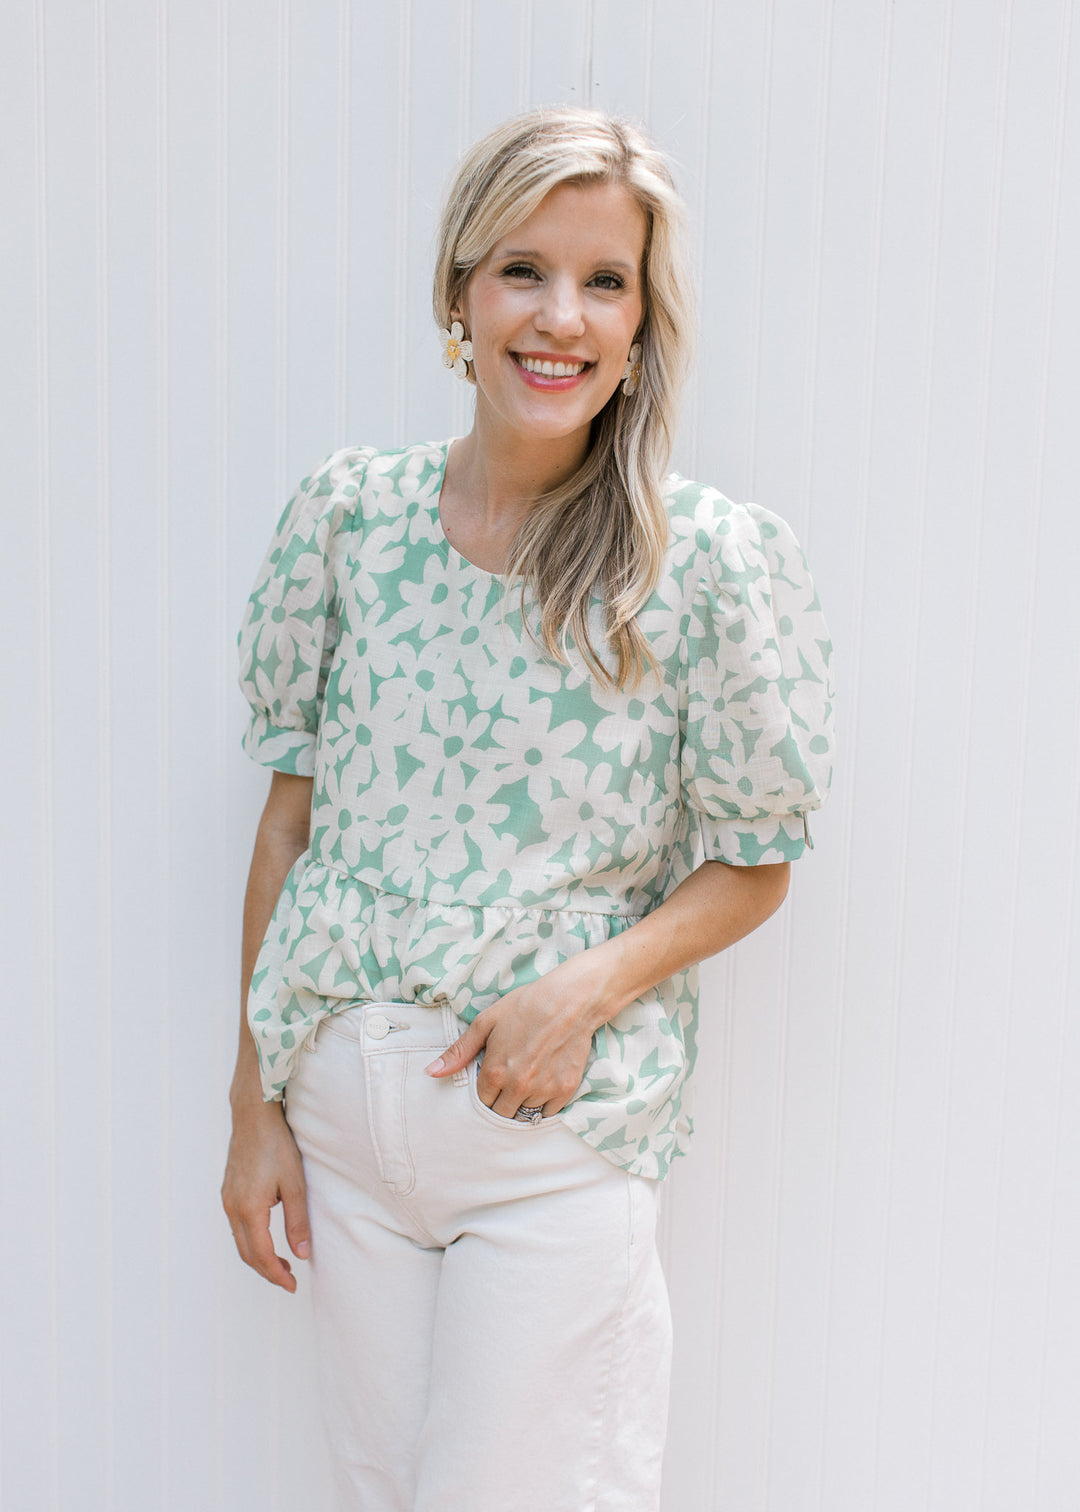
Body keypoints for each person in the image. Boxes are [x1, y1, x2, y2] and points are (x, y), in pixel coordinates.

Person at [222, 106, 834, 1512]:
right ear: (457, 294)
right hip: (343, 1125)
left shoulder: (707, 561)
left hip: (549, 1140)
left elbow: (757, 861)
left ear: (639, 322)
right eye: (523, 270)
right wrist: (252, 1112)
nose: (561, 316)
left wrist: (582, 993)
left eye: (605, 280)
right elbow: (285, 832)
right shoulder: (350, 519)